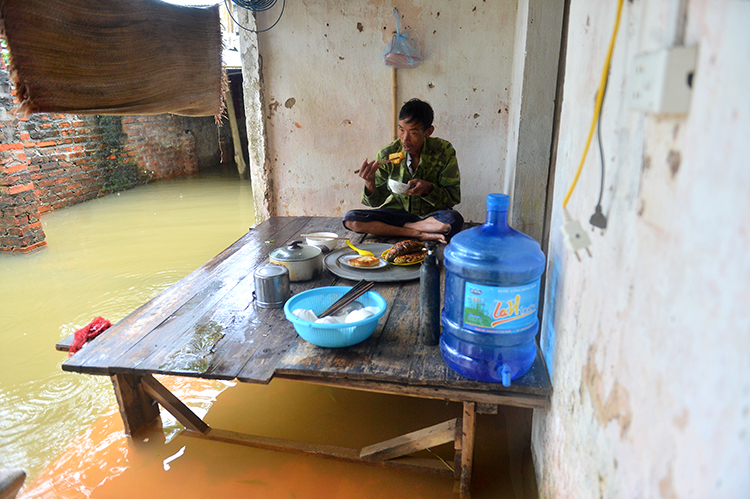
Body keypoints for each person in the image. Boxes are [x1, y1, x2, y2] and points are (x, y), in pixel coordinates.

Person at [343, 98, 463, 244]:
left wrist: (429, 190)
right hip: (395, 213)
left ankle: (404, 228)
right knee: (351, 219)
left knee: (453, 220)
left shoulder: (444, 151)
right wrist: (370, 182)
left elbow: (453, 197)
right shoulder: (387, 153)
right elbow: (375, 202)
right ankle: (416, 233)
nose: (404, 139)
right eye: (401, 130)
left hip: (428, 215)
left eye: (413, 133)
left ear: (428, 131)